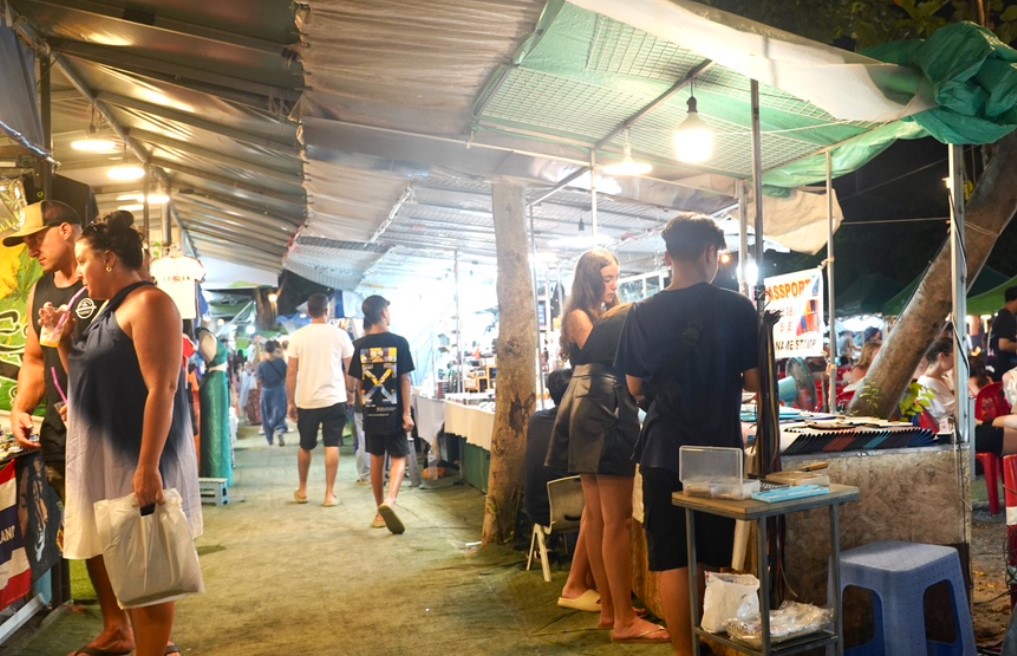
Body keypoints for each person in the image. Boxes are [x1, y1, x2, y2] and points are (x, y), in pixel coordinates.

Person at [52, 210, 200, 656]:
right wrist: (64, 338)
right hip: (111, 457)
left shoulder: (150, 303)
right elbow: (84, 381)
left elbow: (164, 388)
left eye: (83, 260)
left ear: (109, 259)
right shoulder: (110, 310)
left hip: (138, 454)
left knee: (149, 565)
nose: (80, 272)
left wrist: (148, 466)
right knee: (130, 563)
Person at [615, 213, 760, 656]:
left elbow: (634, 386)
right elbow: (755, 381)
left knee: (673, 560)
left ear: (667, 257)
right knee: (712, 558)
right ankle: (714, 646)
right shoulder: (737, 307)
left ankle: (685, 653)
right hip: (718, 448)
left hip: (663, 449)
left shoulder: (641, 313)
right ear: (710, 253)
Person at [2, 201, 124, 654]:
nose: (32, 248)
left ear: (67, 230)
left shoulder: (106, 281)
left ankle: (152, 628)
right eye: (27, 242)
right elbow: (35, 360)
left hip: (112, 429)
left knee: (127, 526)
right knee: (87, 531)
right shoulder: (40, 290)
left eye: (38, 238)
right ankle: (117, 627)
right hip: (61, 432)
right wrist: (20, 407)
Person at [546, 248, 666, 644]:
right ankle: (622, 620)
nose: (613, 285)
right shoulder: (582, 316)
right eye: (607, 278)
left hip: (589, 404)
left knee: (599, 519)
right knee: (616, 520)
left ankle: (613, 610)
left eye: (616, 277)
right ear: (590, 279)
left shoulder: (603, 314)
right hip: (604, 404)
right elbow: (610, 356)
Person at [523, 369, 598, 612]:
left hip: (538, 506)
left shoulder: (536, 420)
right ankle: (588, 581)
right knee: (601, 510)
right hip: (572, 511)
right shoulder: (583, 425)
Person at [347, 295, 415, 534]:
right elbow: (405, 380)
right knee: (398, 457)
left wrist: (360, 401)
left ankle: (379, 513)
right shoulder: (399, 342)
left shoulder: (359, 345)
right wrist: (407, 413)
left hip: (371, 411)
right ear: (384, 313)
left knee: (376, 458)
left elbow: (354, 382)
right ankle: (391, 500)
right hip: (394, 411)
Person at [286, 293, 354, 508]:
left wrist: (290, 401)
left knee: (305, 446)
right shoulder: (340, 335)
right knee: (332, 444)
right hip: (335, 398)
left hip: (307, 400)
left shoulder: (298, 337)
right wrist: (351, 390)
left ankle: (303, 490)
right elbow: (350, 367)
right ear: (327, 310)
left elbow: (291, 372)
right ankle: (329, 494)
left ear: (308, 312)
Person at [919, 337, 1017, 455]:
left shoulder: (942, 379)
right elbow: (951, 412)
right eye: (955, 354)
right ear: (942, 357)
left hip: (969, 428)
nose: (957, 359)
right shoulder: (926, 383)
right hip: (960, 434)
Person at [256, 339, 288, 446]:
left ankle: (270, 438)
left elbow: (259, 380)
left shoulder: (262, 365)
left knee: (266, 413)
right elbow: (286, 375)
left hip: (266, 391)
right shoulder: (281, 362)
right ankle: (280, 430)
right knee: (280, 411)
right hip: (279, 389)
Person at [987, 286, 1017, 382]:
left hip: (993, 367)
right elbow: (1003, 345)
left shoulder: (1000, 316)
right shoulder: (1008, 318)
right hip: (1003, 371)